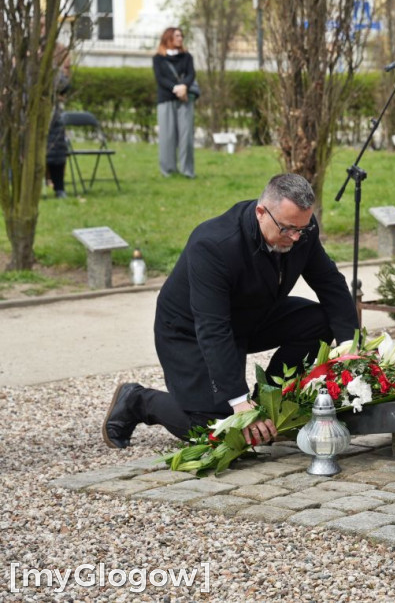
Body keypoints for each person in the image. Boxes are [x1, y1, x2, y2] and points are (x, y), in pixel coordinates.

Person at [101, 174, 359, 449]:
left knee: (320, 321)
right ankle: (138, 400)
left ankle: (269, 402)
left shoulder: (300, 227)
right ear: (261, 212)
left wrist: (351, 348)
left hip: (252, 315)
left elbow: (329, 282)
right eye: (287, 229)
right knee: (219, 429)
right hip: (189, 331)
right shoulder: (213, 245)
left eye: (301, 229)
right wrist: (238, 403)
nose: (296, 238)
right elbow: (213, 328)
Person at [152, 27, 196, 179]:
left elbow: (191, 74)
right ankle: (168, 171)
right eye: (177, 35)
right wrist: (176, 88)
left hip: (185, 100)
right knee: (167, 137)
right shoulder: (158, 58)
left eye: (181, 35)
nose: (180, 38)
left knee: (186, 137)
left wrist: (184, 86)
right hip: (166, 100)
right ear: (168, 38)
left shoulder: (187, 57)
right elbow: (160, 79)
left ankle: (187, 171)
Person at [45, 40, 72, 198]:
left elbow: (63, 87)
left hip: (54, 114)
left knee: (57, 151)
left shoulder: (57, 70)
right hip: (40, 113)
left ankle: (58, 187)